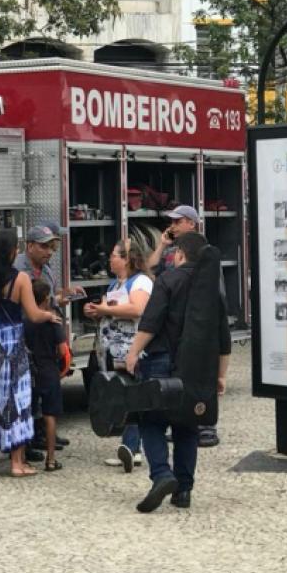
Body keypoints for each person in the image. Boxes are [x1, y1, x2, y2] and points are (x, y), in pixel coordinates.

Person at [125, 232, 231, 513]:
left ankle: (162, 475)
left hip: (162, 361)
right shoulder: (212, 291)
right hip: (198, 368)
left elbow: (151, 322)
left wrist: (133, 353)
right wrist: (221, 375)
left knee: (151, 420)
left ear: (180, 255)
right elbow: (224, 338)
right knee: (187, 425)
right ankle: (183, 490)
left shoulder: (168, 280)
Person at [0, 229, 61, 478]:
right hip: (10, 341)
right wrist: (50, 315)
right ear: (11, 252)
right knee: (15, 397)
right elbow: (33, 314)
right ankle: (17, 463)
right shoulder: (20, 280)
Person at [147, 203, 221, 449]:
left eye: (178, 222)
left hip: (198, 322)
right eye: (172, 221)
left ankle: (205, 426)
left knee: (199, 375)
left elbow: (214, 293)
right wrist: (162, 245)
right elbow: (150, 270)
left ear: (192, 223)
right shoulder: (172, 252)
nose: (173, 226)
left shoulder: (204, 251)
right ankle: (184, 420)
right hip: (176, 325)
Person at [84, 238, 153, 473]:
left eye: (114, 254)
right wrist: (96, 311)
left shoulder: (141, 282)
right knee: (121, 395)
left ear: (127, 259)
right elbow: (110, 310)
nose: (110, 259)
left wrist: (105, 309)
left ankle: (132, 448)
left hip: (132, 349)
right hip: (112, 350)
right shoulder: (115, 284)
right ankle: (129, 446)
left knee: (132, 395)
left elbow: (137, 309)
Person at [14, 222, 81, 454]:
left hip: (46, 338)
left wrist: (63, 298)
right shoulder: (19, 269)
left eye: (51, 248)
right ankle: (28, 441)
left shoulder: (48, 268)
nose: (48, 252)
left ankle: (44, 433)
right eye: (44, 247)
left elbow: (49, 298)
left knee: (45, 389)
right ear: (30, 246)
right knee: (27, 392)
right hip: (26, 336)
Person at [26, 279, 69, 472]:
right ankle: (51, 460)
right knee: (50, 415)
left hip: (30, 370)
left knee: (28, 412)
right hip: (49, 369)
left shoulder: (25, 320)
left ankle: (23, 453)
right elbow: (62, 350)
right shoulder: (53, 321)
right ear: (45, 299)